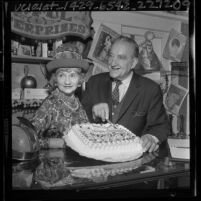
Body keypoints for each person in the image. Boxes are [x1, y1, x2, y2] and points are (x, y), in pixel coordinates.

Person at [82, 36, 170, 153]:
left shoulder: (150, 89)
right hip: (97, 158)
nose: (113, 62)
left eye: (121, 57)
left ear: (133, 63)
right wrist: (92, 112)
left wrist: (151, 137)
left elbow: (161, 126)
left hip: (134, 161)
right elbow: (78, 121)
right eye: (111, 55)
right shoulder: (94, 82)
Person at [30, 43, 89, 149]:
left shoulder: (77, 103)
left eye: (72, 75)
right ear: (55, 79)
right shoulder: (50, 104)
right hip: (54, 162)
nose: (67, 81)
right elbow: (29, 138)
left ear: (80, 80)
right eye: (62, 75)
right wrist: (54, 143)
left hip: (77, 161)